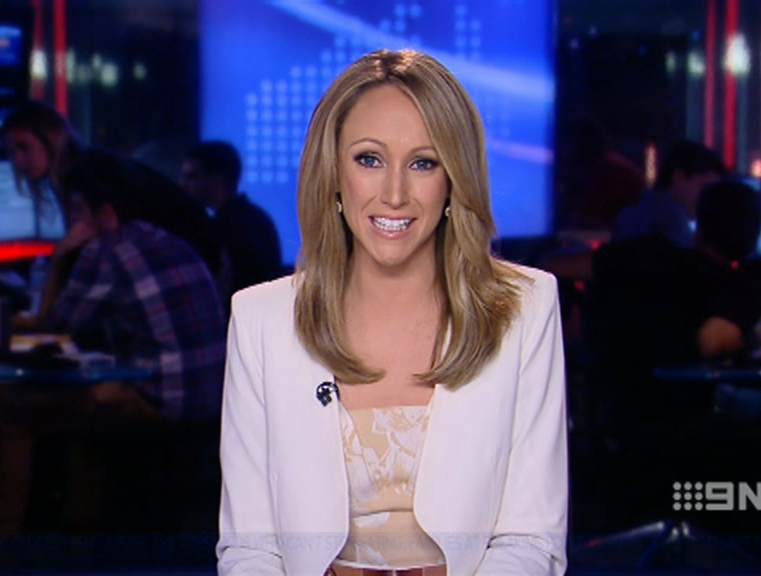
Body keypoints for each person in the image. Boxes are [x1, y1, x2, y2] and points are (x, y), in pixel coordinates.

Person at [217, 50, 568, 575]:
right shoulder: (260, 320)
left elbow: (531, 541)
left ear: (453, 179)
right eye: (369, 160)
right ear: (334, 173)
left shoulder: (526, 308)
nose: (395, 194)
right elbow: (250, 549)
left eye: (423, 163)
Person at [0, 150, 227, 534]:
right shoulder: (169, 241)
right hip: (211, 401)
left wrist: (61, 256)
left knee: (7, 411)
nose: (72, 218)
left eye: (77, 208)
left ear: (104, 211)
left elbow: (54, 326)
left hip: (164, 402)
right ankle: (79, 532)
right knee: (86, 417)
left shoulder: (105, 251)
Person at [584, 178, 761, 531]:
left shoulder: (646, 255)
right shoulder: (742, 288)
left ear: (701, 223)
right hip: (678, 420)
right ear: (753, 234)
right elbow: (712, 341)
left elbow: (562, 266)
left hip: (615, 412)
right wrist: (749, 339)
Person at [1, 101, 223, 277]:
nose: (17, 161)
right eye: (11, 152)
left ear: (51, 138)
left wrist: (58, 262)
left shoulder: (85, 174)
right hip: (192, 266)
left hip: (192, 269)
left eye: (24, 147)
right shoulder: (87, 165)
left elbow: (85, 257)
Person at [181, 141, 283, 305]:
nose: (183, 185)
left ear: (218, 179)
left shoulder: (226, 229)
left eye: (192, 177)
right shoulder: (258, 220)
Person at [611, 139, 727, 247]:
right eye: (705, 188)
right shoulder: (673, 224)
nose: (710, 198)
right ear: (679, 177)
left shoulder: (629, 215)